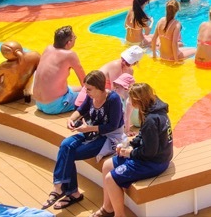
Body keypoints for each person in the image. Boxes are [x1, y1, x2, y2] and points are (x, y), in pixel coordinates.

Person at [43, 69, 125, 210]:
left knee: (70, 154)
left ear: (100, 88)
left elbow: (112, 126)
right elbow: (81, 109)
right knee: (65, 145)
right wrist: (71, 119)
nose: (85, 91)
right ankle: (60, 187)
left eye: (89, 89)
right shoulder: (91, 96)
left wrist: (88, 129)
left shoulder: (113, 99)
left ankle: (70, 191)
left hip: (110, 136)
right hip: (91, 131)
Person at [98, 83, 173, 217]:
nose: (129, 101)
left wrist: (130, 153)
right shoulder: (155, 109)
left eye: (130, 98)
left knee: (111, 178)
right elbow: (144, 137)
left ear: (137, 101)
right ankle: (108, 207)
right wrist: (130, 144)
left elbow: (150, 152)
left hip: (155, 162)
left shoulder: (151, 120)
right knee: (107, 165)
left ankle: (120, 215)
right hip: (157, 156)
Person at [32, 25, 86, 115]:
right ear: (69, 43)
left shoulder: (48, 49)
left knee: (77, 88)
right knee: (90, 95)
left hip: (39, 103)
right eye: (74, 37)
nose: (75, 39)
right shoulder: (70, 55)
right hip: (54, 106)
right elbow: (84, 82)